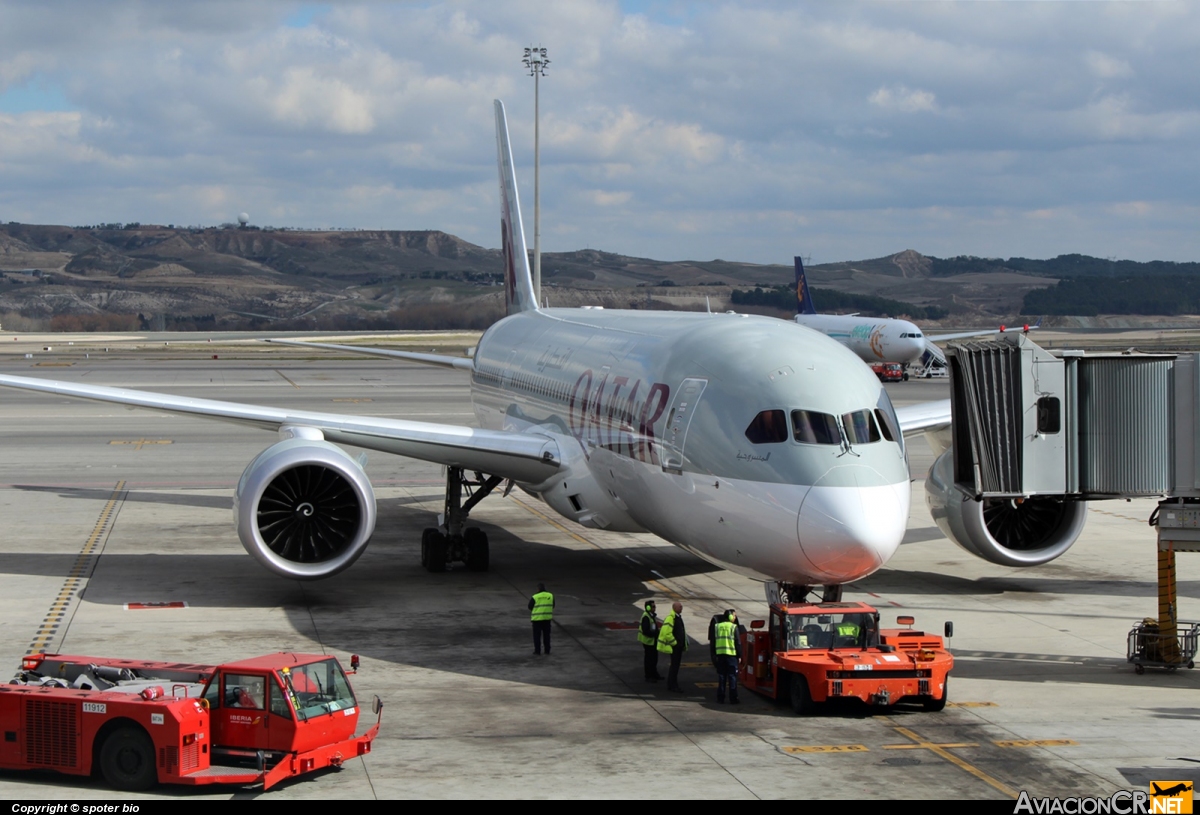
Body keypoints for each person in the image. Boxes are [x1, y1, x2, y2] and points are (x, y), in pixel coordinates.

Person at [657, 601, 687, 692]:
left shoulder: (677, 617)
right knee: (674, 667)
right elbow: (667, 634)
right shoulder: (671, 618)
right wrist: (675, 643)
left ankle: (671, 684)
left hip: (678, 647)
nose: (681, 608)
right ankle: (673, 685)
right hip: (675, 648)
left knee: (675, 666)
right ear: (674, 608)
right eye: (680, 607)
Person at [713, 610, 742, 704]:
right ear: (729, 617)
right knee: (732, 677)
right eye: (734, 616)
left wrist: (715, 655)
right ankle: (733, 698)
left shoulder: (717, 626)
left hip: (720, 655)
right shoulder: (733, 627)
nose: (735, 618)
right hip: (731, 656)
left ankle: (720, 698)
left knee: (722, 677)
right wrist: (740, 655)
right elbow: (738, 643)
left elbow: (713, 641)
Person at [639, 600, 662, 682]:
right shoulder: (646, 617)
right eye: (653, 606)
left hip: (652, 641)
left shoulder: (651, 615)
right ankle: (648, 676)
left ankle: (654, 673)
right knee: (649, 659)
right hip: (648, 642)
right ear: (648, 607)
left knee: (654, 658)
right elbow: (646, 631)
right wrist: (654, 634)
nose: (655, 608)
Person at [529, 583, 554, 655]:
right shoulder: (550, 595)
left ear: (538, 589)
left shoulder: (535, 596)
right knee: (547, 635)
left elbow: (530, 606)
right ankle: (547, 650)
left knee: (537, 636)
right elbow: (553, 605)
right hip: (547, 619)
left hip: (537, 620)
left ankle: (537, 651)